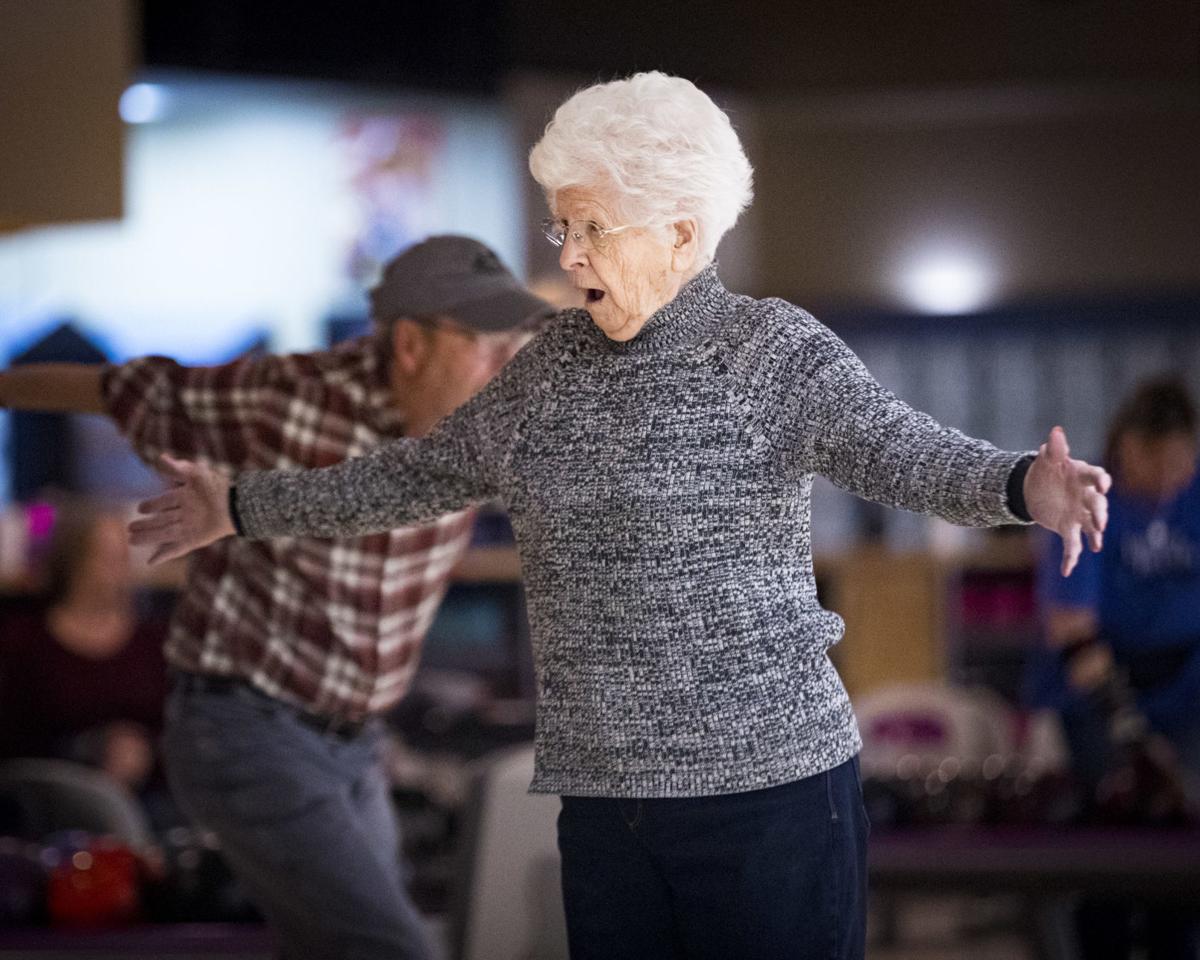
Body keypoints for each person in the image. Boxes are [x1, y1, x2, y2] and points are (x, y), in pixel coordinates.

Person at [130, 73, 1111, 960]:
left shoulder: (771, 351)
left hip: (766, 796)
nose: (569, 252)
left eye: (593, 227)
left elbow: (903, 454)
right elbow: (413, 475)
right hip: (604, 806)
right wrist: (242, 504)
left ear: (682, 232)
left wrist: (1027, 484)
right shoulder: (546, 368)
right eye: (562, 227)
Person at [0, 235, 553, 960]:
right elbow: (114, 389)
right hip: (243, 728)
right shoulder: (279, 398)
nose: (502, 370)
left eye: (513, 347)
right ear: (412, 345)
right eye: (484, 347)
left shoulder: (492, 423)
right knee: (389, 948)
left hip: (358, 745)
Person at [1030, 375, 1200, 960]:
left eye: (1176, 462)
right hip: (1101, 688)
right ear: (1124, 446)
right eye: (1148, 460)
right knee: (1112, 826)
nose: (1161, 477)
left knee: (1181, 833)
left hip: (1186, 685)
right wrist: (1131, 732)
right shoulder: (1088, 492)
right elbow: (1072, 633)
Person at [0, 502, 169, 799]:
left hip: (150, 800)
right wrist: (88, 750)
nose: (118, 572)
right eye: (104, 559)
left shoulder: (153, 641)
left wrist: (144, 751)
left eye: (123, 558)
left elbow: (181, 731)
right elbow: (13, 745)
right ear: (72, 563)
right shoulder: (24, 643)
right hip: (52, 801)